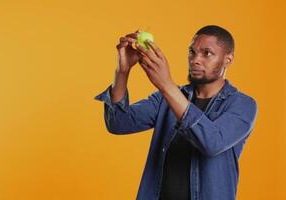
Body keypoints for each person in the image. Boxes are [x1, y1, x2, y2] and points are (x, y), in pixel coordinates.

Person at [94, 25, 258, 200]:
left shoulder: (243, 104)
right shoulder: (167, 97)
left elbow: (212, 143)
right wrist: (122, 71)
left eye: (207, 53)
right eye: (192, 52)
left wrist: (166, 85)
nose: (195, 60)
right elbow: (118, 123)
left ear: (228, 59)